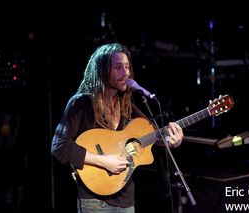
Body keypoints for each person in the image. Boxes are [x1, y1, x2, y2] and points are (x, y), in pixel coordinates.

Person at [51, 42, 184, 213]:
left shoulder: (127, 105)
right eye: (118, 67)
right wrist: (104, 161)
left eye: (127, 67)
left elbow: (148, 138)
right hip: (94, 202)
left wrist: (168, 141)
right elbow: (59, 146)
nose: (126, 73)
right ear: (102, 70)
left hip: (127, 199)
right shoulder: (81, 103)